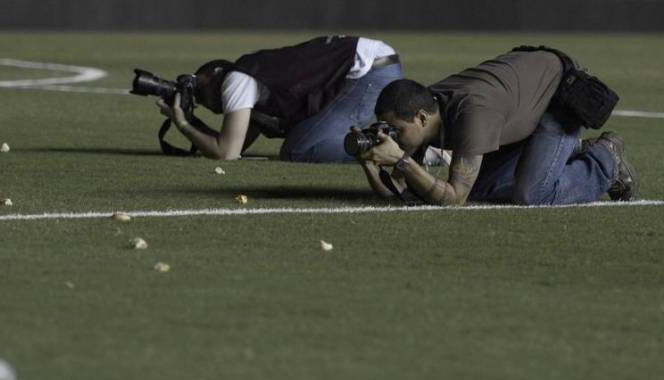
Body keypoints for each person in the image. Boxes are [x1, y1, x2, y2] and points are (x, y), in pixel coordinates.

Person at [358, 48, 639, 206]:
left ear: (421, 118)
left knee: (532, 193)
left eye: (396, 130)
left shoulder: (471, 115)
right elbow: (404, 192)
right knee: (480, 187)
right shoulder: (424, 107)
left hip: (557, 97)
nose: (394, 137)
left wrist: (401, 160)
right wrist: (371, 166)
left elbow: (454, 198)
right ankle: (563, 155)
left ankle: (605, 159)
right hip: (520, 100)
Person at [155, 35, 403, 162]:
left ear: (216, 73)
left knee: (299, 149)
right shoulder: (253, 76)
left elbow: (226, 152)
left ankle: (405, 152)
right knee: (304, 141)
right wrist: (191, 121)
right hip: (374, 64)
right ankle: (399, 145)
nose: (201, 97)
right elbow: (235, 145)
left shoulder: (236, 78)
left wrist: (184, 125)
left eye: (199, 86)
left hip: (370, 70)